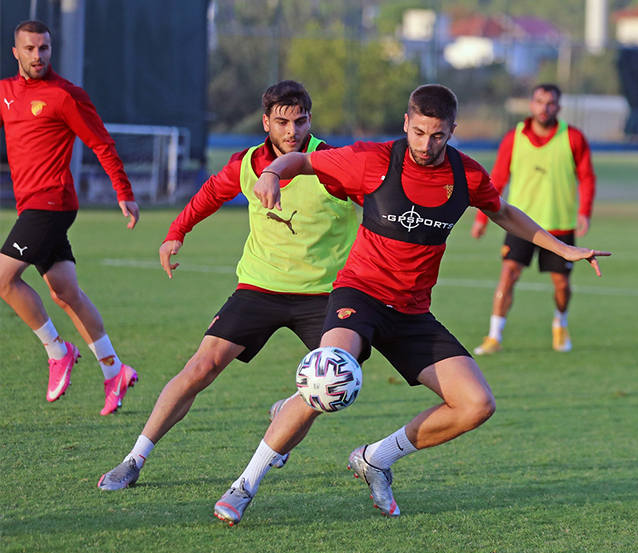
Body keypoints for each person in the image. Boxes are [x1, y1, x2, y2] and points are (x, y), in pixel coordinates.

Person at [212, 84, 610, 525]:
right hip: (360, 295)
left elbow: (503, 212)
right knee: (328, 371)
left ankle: (376, 458)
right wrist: (271, 174)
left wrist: (563, 248)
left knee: (476, 404)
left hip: (412, 312)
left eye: (437, 135)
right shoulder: (374, 160)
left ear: (452, 131)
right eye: (418, 132)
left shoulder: (466, 175)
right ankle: (244, 485)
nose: (426, 144)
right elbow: (303, 160)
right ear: (406, 123)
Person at [97, 80, 359, 490]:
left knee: (333, 384)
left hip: (325, 295)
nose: (292, 131)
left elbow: (379, 204)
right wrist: (175, 232)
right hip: (259, 287)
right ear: (266, 121)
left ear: (311, 119)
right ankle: (133, 459)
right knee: (200, 367)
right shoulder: (246, 164)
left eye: (301, 121)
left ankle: (285, 416)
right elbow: (209, 194)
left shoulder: (335, 162)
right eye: (282, 122)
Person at [0, 21, 139, 415]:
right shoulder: (5, 93)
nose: (37, 55)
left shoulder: (64, 96)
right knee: (64, 292)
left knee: (3, 279)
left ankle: (58, 351)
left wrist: (124, 192)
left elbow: (101, 142)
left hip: (53, 202)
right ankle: (115, 370)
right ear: (16, 52)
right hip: (30, 205)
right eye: (29, 49)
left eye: (43, 48)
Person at [470, 83, 596, 354]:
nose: (544, 107)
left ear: (559, 107)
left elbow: (586, 177)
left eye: (550, 103)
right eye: (539, 101)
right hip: (520, 223)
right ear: (531, 104)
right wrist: (481, 218)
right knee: (508, 273)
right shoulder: (514, 138)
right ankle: (494, 336)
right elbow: (497, 179)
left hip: (559, 222)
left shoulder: (572, 137)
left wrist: (584, 210)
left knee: (561, 283)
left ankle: (560, 324)